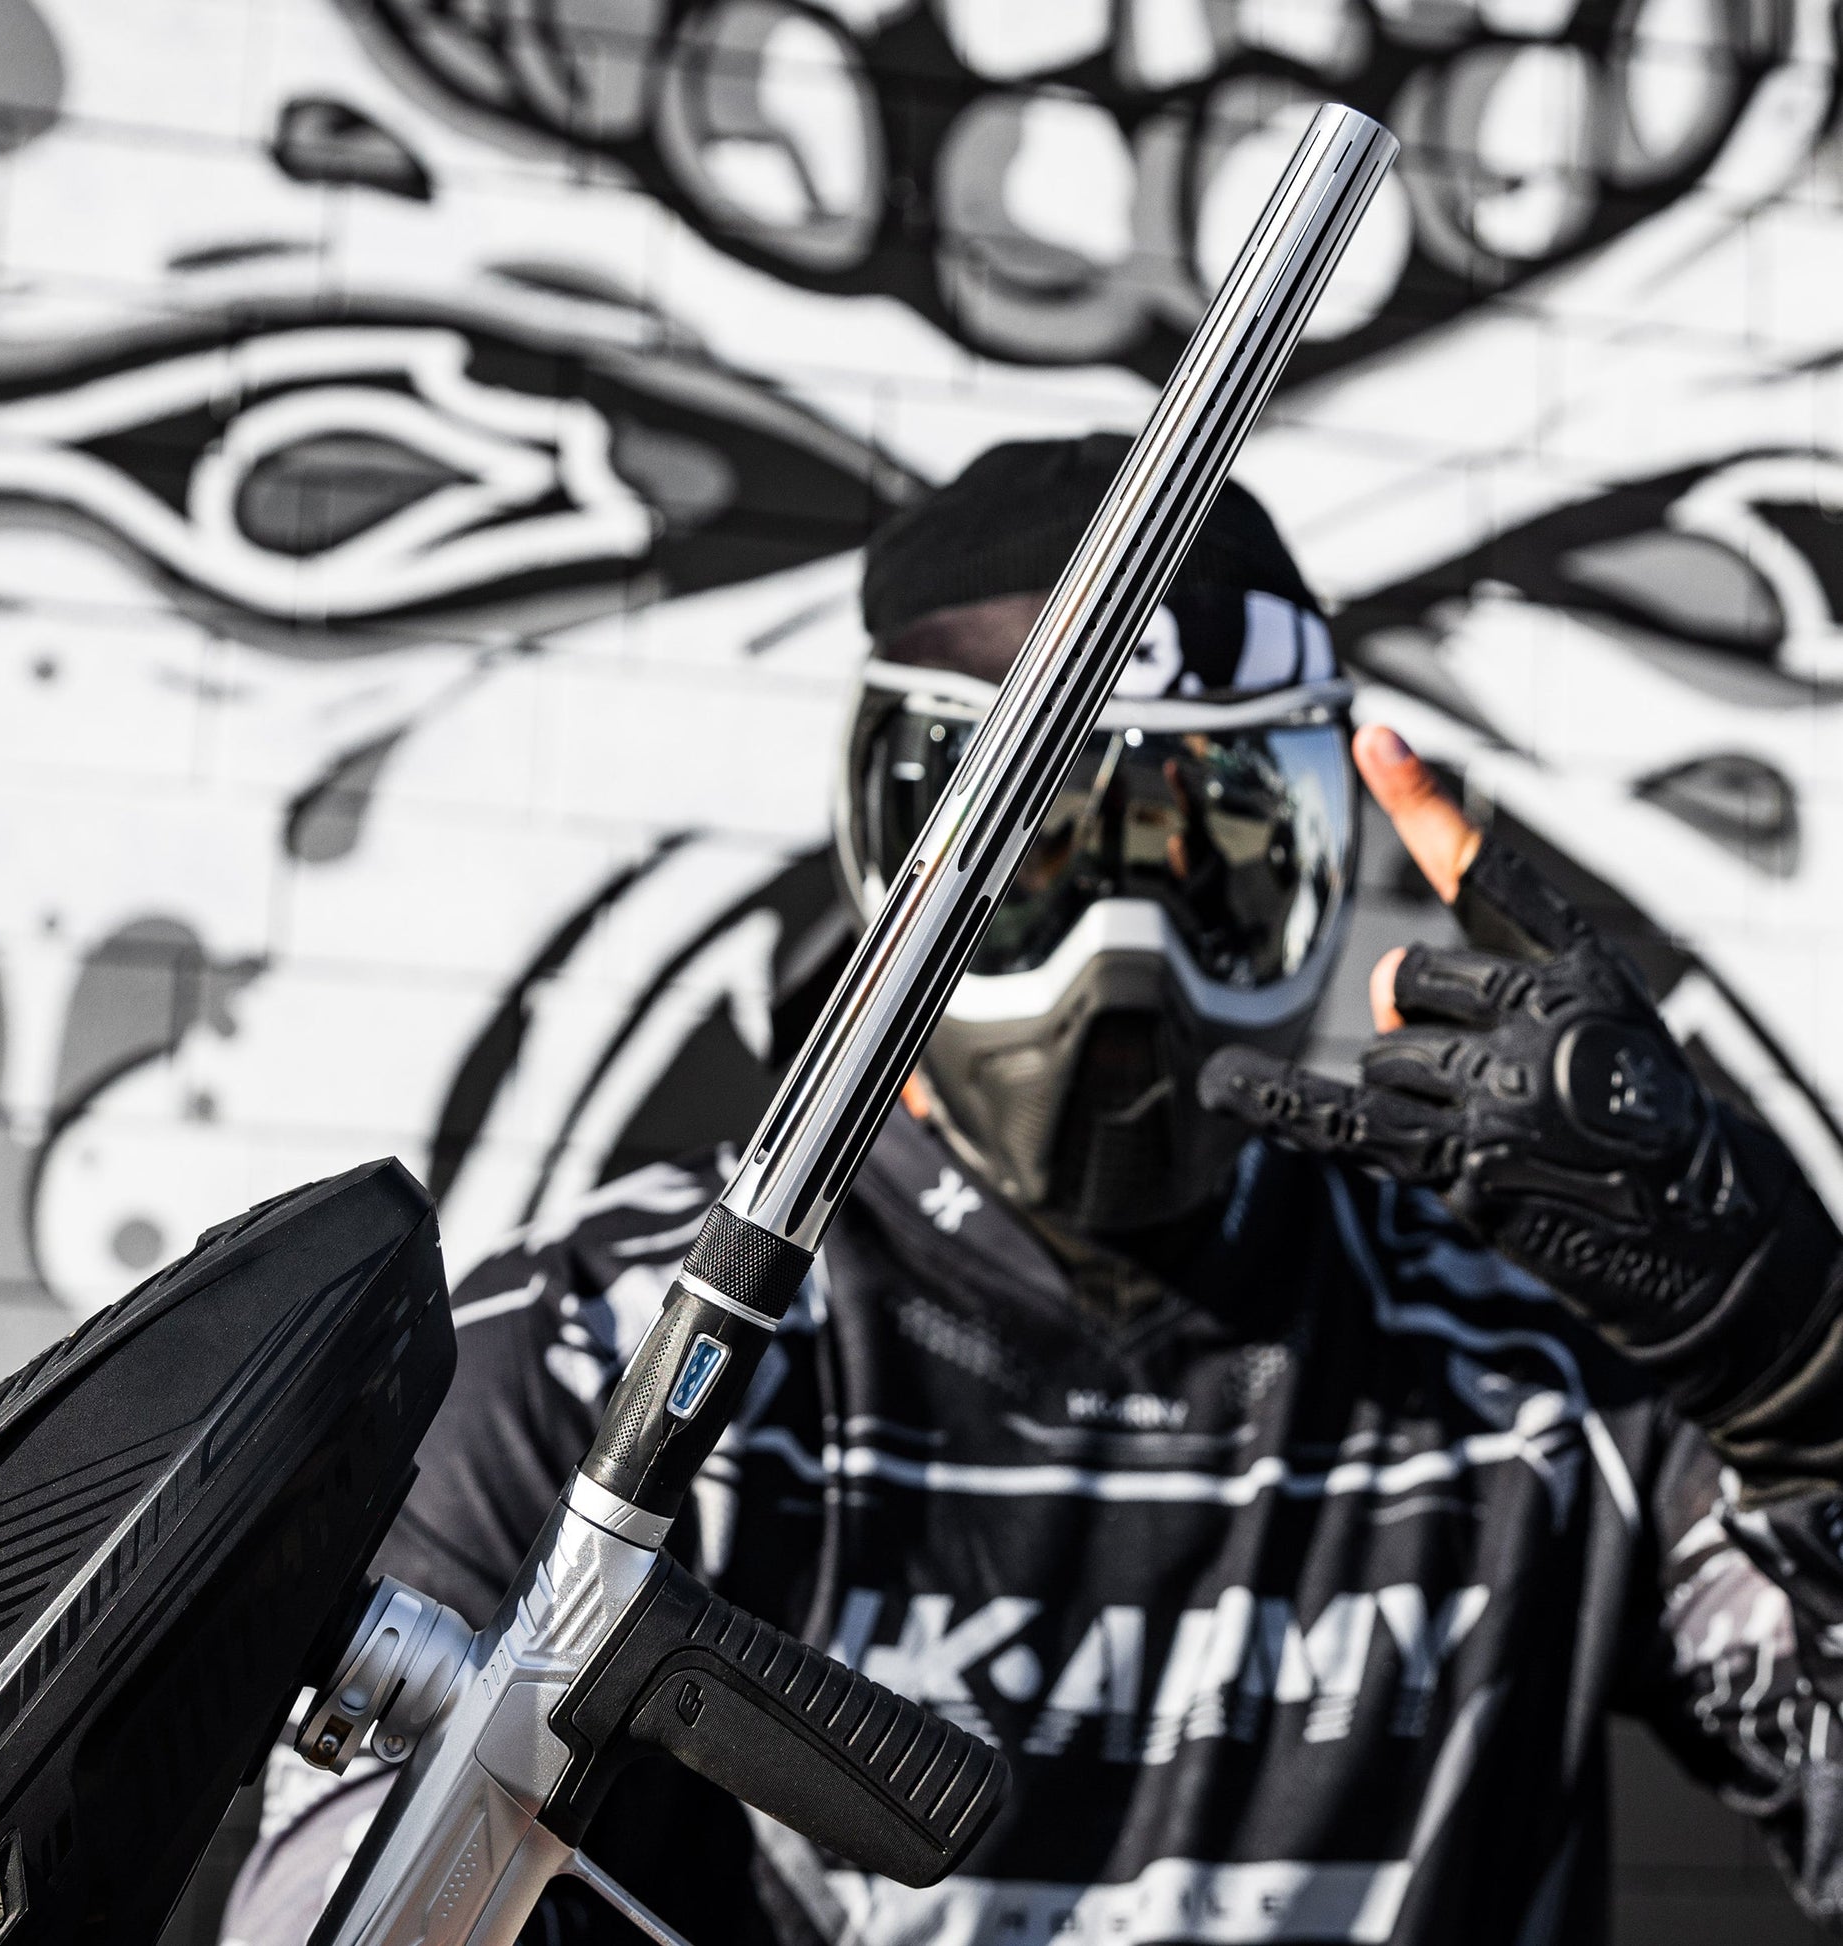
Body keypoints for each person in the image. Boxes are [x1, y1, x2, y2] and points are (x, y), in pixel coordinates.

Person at [224, 436, 1843, 1945]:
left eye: (1212, 847)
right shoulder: (620, 1360)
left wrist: (1799, 1383)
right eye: (1037, 847)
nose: (1122, 948)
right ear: (894, 844)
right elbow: (339, 1898)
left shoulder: (1541, 1361)